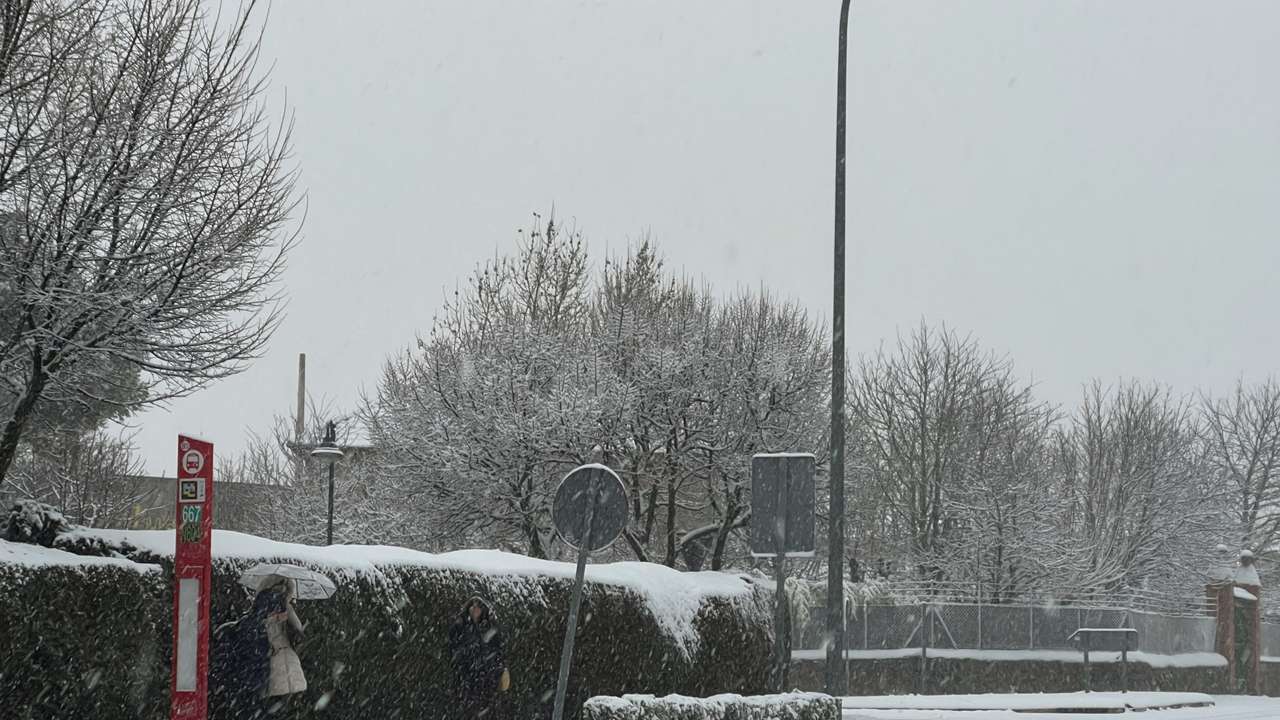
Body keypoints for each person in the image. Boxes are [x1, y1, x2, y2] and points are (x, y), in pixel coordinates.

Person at [447, 597, 509, 718]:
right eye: (473, 606)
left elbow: (498, 651)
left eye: (478, 606)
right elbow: (453, 648)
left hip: (487, 679)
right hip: (466, 677)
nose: (475, 609)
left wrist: (497, 669)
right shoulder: (460, 626)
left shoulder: (490, 627)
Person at [262, 579, 307, 713]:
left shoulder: (286, 607)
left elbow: (298, 629)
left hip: (287, 655)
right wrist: (274, 618)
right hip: (273, 656)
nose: (280, 592)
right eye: (277, 589)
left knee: (288, 695)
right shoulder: (262, 606)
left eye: (284, 589)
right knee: (276, 696)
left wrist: (287, 613)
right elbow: (260, 627)